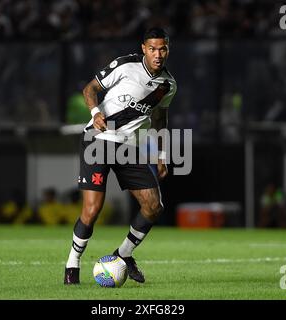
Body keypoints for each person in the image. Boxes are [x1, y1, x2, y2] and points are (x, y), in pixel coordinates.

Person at [63, 27, 177, 285]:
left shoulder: (168, 85)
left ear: (168, 49)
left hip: (129, 148)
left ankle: (123, 254)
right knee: (92, 211)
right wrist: (95, 113)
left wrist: (160, 154)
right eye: (153, 49)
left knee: (153, 206)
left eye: (163, 48)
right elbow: (89, 89)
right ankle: (72, 265)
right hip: (99, 140)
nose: (158, 54)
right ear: (144, 49)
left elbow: (160, 118)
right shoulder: (126, 66)